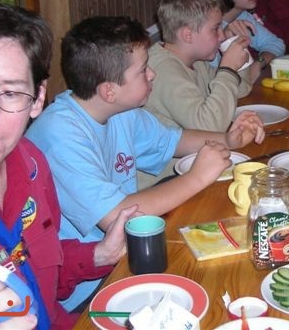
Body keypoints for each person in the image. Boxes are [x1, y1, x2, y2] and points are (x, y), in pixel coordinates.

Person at [25, 16, 265, 311]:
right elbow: (117, 218)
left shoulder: (119, 110)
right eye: (142, 70)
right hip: (86, 288)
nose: (152, 75)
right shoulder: (59, 136)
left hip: (127, 253)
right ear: (109, 90)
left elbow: (173, 141)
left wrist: (228, 139)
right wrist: (196, 177)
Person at [0, 3, 137, 329]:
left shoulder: (32, 164)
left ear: (37, 98)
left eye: (9, 93)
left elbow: (37, 268)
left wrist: (100, 254)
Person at [145, 0, 254, 132]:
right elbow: (209, 127)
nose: (222, 36)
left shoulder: (196, 62)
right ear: (188, 35)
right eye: (215, 29)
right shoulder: (164, 71)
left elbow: (241, 90)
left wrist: (232, 47)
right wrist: (228, 69)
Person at [198, 0, 285, 82]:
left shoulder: (241, 15)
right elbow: (213, 78)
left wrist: (259, 63)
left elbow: (276, 43)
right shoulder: (205, 25)